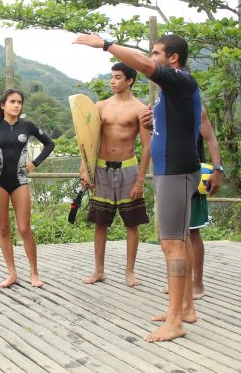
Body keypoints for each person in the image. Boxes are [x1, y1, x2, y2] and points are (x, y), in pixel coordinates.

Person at [74, 33, 201, 342]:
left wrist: (104, 44)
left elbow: (143, 65)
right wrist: (150, 123)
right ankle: (184, 309)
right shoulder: (172, 92)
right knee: (179, 239)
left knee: (171, 243)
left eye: (157, 53)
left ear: (172, 58)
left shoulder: (179, 80)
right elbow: (175, 127)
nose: (152, 57)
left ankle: (175, 322)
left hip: (175, 170)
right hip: (173, 169)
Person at [81, 62, 151, 287]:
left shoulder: (140, 110)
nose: (112, 81)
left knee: (132, 223)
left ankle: (130, 272)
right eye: (111, 77)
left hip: (128, 168)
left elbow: (147, 146)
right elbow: (89, 140)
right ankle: (98, 270)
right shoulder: (100, 106)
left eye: (117, 77)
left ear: (129, 80)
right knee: (100, 223)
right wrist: (85, 169)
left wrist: (140, 180)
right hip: (101, 169)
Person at [0, 88, 54, 288]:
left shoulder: (27, 126)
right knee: (3, 229)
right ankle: (12, 274)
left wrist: (34, 163)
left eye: (19, 102)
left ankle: (34, 273)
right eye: (12, 101)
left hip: (20, 180)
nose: (17, 105)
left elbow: (49, 144)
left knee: (24, 228)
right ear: (3, 105)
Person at [161, 106, 223, 298]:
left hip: (194, 177)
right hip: (169, 176)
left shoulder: (196, 107)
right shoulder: (160, 107)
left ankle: (198, 284)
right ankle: (177, 282)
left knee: (192, 231)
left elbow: (211, 138)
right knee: (173, 236)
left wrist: (217, 169)